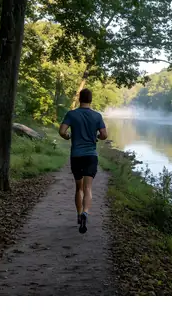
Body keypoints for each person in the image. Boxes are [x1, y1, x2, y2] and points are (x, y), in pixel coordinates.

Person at [59, 88, 108, 234]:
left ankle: (79, 214)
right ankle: (86, 212)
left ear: (80, 99)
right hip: (91, 156)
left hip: (76, 156)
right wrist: (97, 137)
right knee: (88, 188)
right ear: (91, 100)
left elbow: (62, 131)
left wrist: (68, 137)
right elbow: (104, 135)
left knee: (78, 188)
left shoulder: (71, 114)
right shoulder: (97, 116)